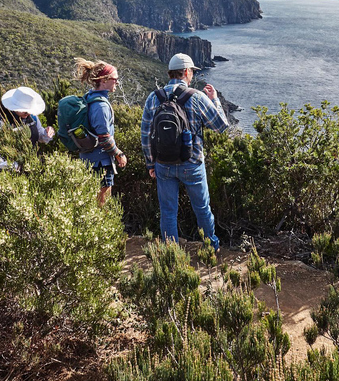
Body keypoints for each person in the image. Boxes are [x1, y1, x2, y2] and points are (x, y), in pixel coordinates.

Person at [141, 53, 229, 251]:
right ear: (187, 72)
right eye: (191, 72)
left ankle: (170, 254)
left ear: (170, 73)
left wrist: (150, 163)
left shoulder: (153, 98)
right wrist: (214, 100)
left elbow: (145, 133)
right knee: (202, 209)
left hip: (163, 164)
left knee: (168, 211)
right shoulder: (196, 97)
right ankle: (210, 247)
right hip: (192, 163)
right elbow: (221, 126)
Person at [74, 58, 127, 206]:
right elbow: (103, 137)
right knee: (101, 204)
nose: (117, 82)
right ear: (104, 80)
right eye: (114, 79)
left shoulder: (90, 98)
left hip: (89, 158)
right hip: (100, 162)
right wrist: (118, 154)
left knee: (91, 201)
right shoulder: (100, 105)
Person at [0, 86, 55, 168]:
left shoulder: (33, 119)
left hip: (31, 166)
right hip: (8, 171)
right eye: (23, 110)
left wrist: (48, 132)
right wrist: (11, 166)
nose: (27, 113)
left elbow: (40, 136)